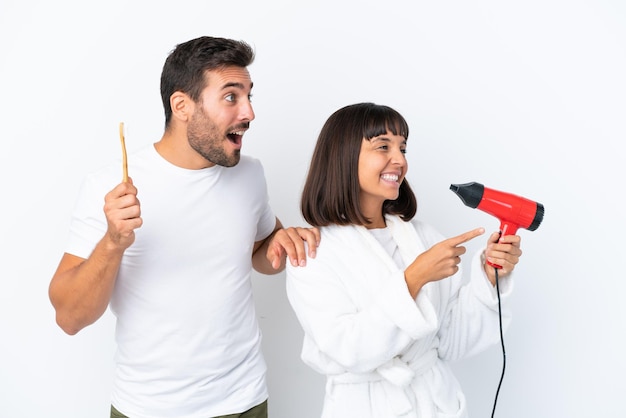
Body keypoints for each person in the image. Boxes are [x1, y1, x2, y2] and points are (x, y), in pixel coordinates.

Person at [48, 36, 320, 418]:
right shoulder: (108, 187)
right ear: (182, 106)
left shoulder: (250, 174)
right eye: (231, 97)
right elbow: (70, 318)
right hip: (148, 408)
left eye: (249, 95)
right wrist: (112, 243)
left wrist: (282, 243)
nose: (249, 113)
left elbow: (260, 249)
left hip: (245, 401)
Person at [285, 102, 523, 418]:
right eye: (383, 146)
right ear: (342, 157)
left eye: (403, 148)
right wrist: (413, 279)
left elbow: (452, 343)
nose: (399, 160)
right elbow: (347, 349)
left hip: (436, 402)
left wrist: (488, 280)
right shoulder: (312, 252)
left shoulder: (424, 238)